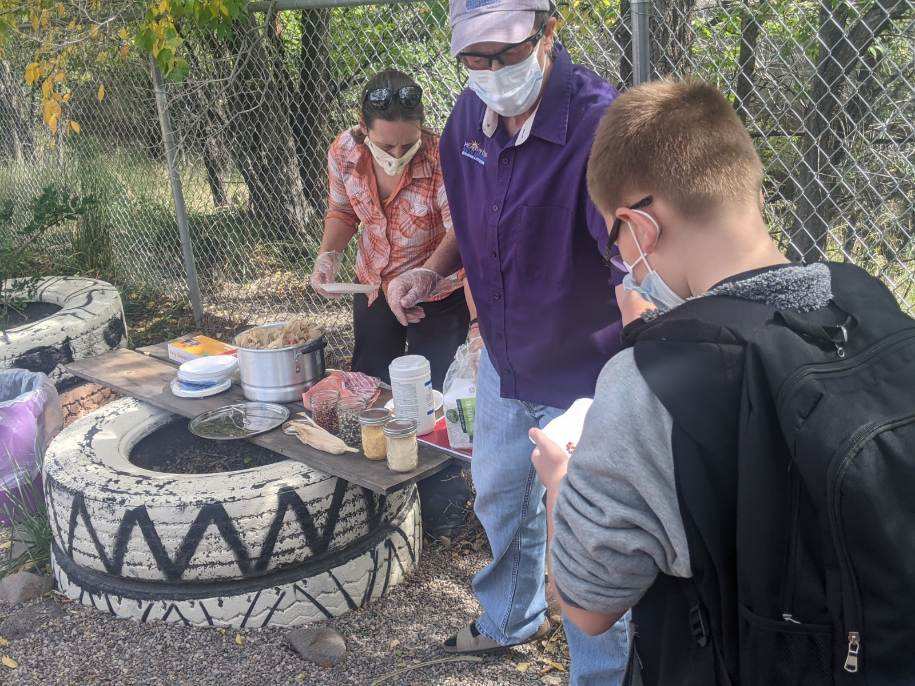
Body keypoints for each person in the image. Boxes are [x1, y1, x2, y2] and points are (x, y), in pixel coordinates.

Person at [531, 79, 915, 685]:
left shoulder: (646, 383)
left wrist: (560, 485)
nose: (623, 261)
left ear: (640, 227)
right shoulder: (867, 300)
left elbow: (587, 606)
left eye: (616, 240)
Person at [385, 2, 630, 682]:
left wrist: (627, 386)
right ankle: (509, 619)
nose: (491, 72)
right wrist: (431, 271)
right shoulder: (468, 116)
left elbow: (637, 267)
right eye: (474, 58)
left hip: (587, 373)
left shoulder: (600, 125)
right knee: (496, 491)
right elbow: (475, 216)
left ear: (549, 32)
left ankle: (602, 674)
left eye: (508, 53)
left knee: (592, 539)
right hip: (503, 355)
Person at [309, 69, 472, 536]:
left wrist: (424, 275)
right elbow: (342, 211)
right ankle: (375, 495)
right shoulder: (344, 151)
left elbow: (459, 231)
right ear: (363, 128)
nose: (398, 154)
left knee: (431, 394)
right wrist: (329, 255)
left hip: (436, 291)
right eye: (388, 147)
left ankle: (440, 502)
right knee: (371, 384)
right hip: (373, 287)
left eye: (408, 144)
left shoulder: (442, 156)